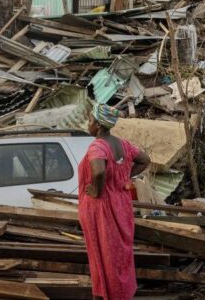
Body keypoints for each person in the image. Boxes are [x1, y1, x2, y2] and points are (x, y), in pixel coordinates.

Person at [78, 103, 151, 300]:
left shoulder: (98, 146)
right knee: (119, 254)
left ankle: (107, 294)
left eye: (91, 120)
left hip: (102, 208)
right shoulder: (123, 144)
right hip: (121, 205)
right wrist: (124, 176)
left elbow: (99, 171)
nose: (88, 124)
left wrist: (95, 189)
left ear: (100, 125)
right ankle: (122, 292)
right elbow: (145, 160)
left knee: (103, 255)